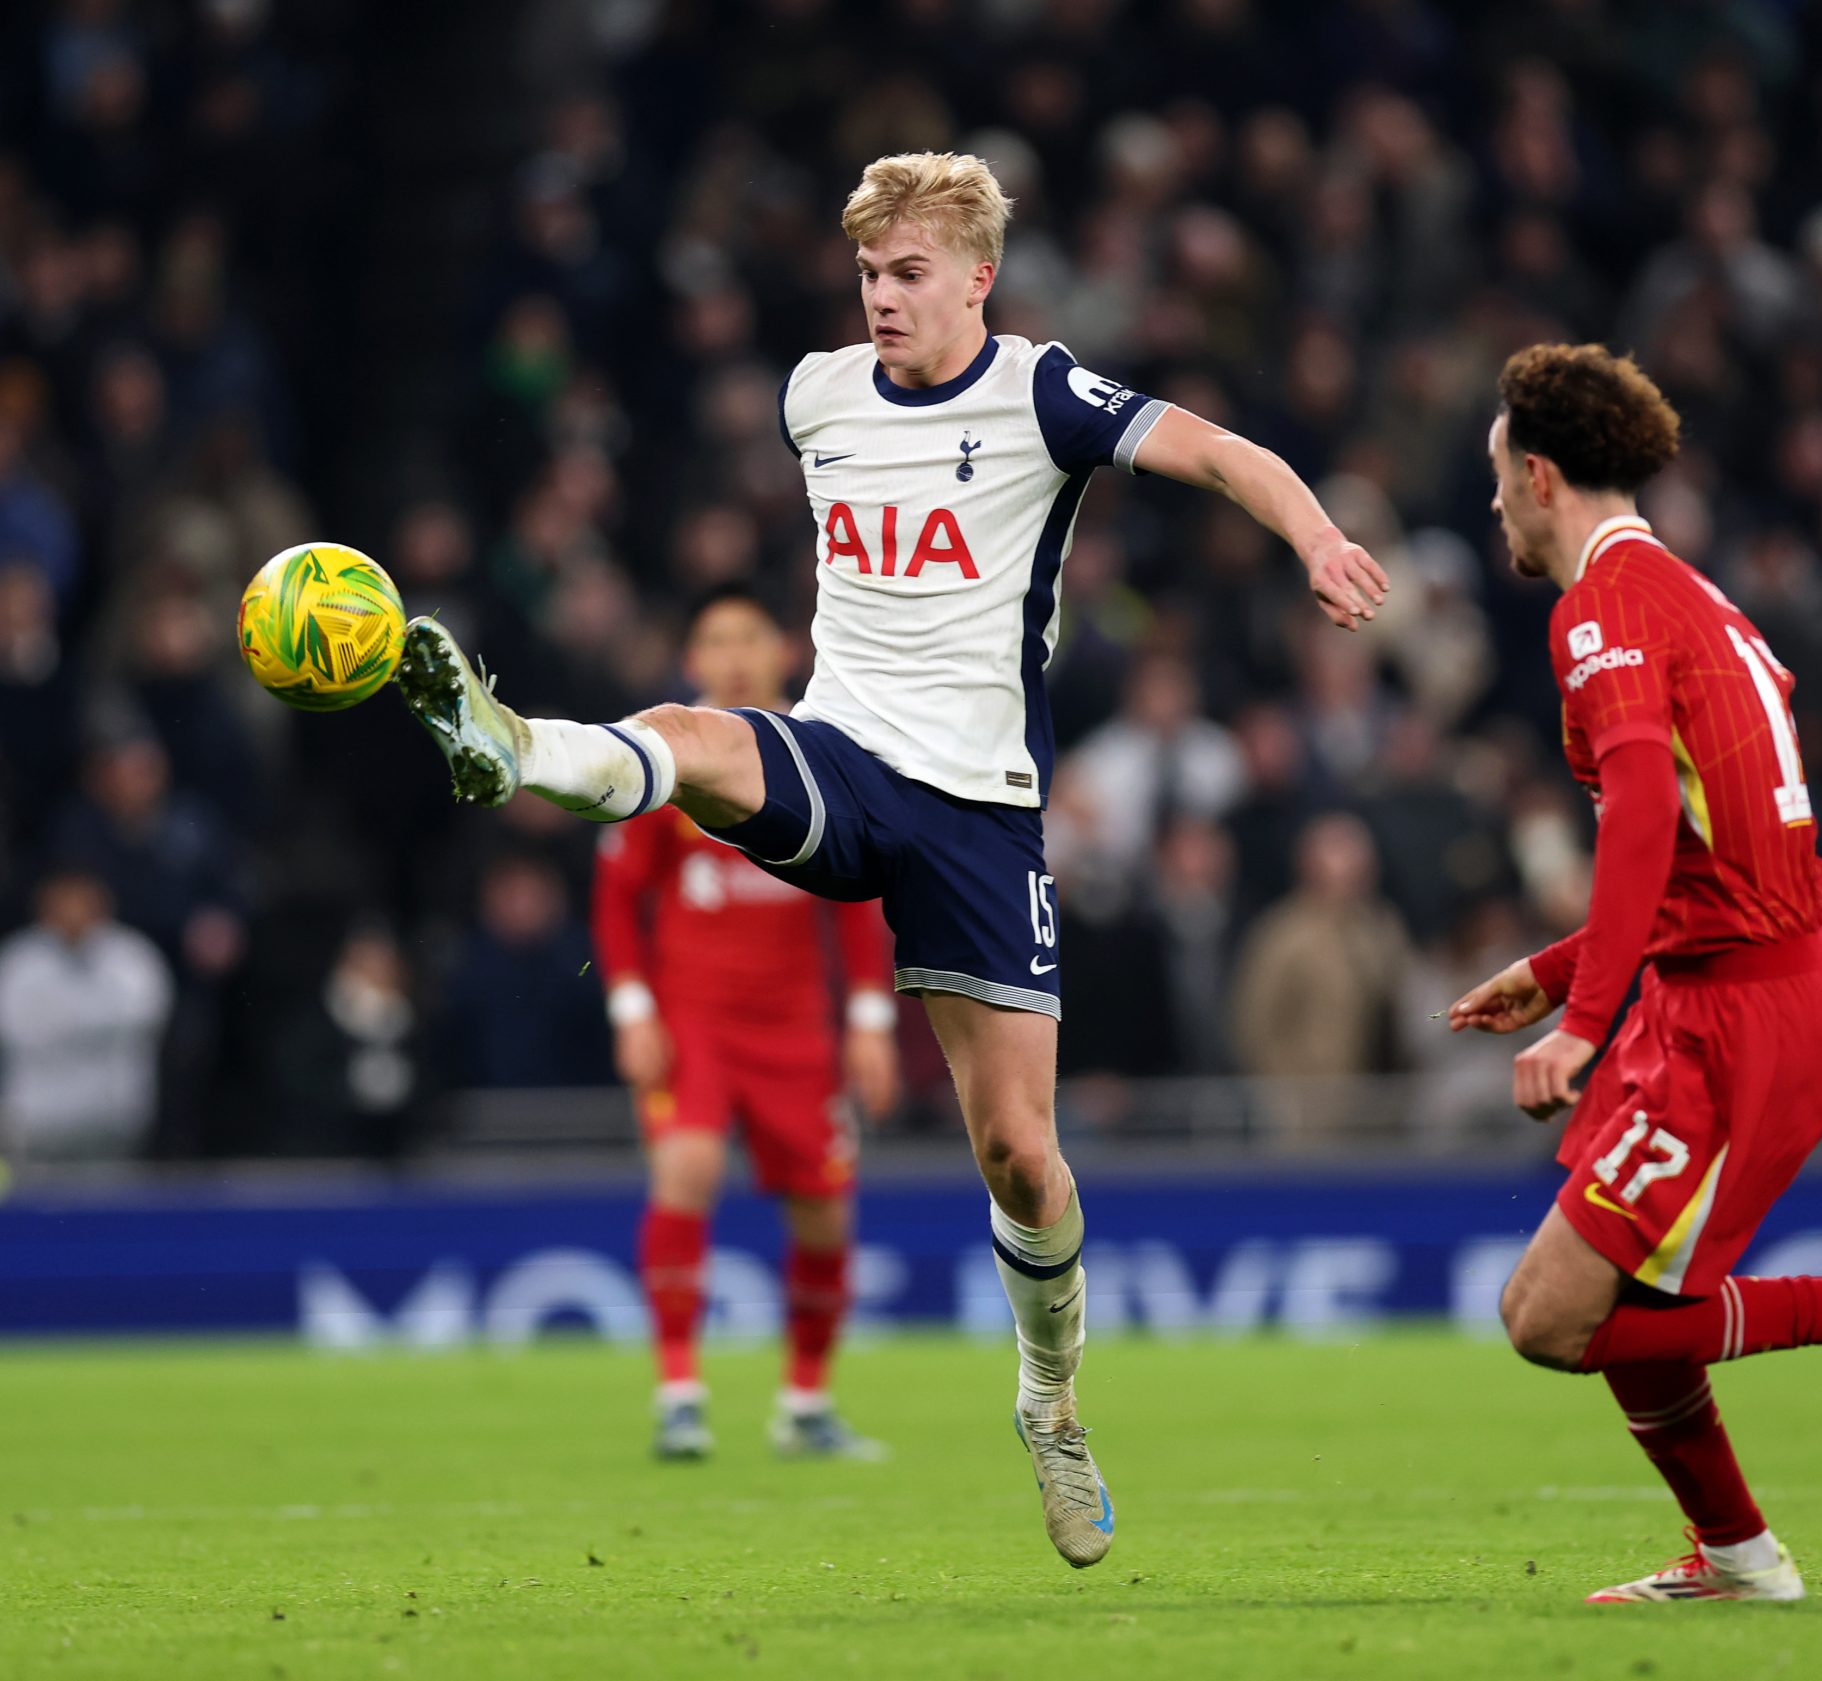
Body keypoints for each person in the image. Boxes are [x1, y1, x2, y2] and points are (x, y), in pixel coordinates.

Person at [392, 151, 1388, 1567]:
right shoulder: (819, 397)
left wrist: (1316, 534)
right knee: (693, 734)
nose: (882, 299)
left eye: (909, 272)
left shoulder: (1039, 393)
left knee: (1021, 1157)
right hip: (844, 756)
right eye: (868, 273)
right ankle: (509, 739)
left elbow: (1223, 452)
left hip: (979, 808)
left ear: (979, 278)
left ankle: (1050, 1400)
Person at [1446, 345, 1822, 1606]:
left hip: (1737, 1009)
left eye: (1497, 477)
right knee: (1616, 1283)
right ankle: (1738, 1554)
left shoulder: (1601, 610)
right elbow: (1710, 837)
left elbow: (1634, 815)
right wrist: (1564, 969)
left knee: (1546, 1315)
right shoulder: (1693, 596)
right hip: (1738, 979)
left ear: (1542, 474)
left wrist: (1585, 1013)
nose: (1492, 502)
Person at [592, 584, 901, 1463]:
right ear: (692, 663)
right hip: (696, 1020)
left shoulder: (817, 755)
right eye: (713, 640)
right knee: (685, 1172)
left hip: (796, 1030)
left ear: (785, 655)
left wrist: (871, 1022)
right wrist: (632, 1007)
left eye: (747, 639)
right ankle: (679, 1392)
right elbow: (618, 896)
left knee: (824, 1220)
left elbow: (853, 900)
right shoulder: (672, 757)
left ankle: (805, 1406)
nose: (731, 656)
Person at [0, 868, 172, 1162]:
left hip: (114, 1117)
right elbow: (16, 1029)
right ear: (44, 907)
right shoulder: (20, 960)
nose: (73, 911)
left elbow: (143, 1016)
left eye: (82, 900)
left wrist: (56, 1020)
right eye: (64, 900)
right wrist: (95, 1018)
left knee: (112, 1201)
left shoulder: (131, 955)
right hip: (38, 1120)